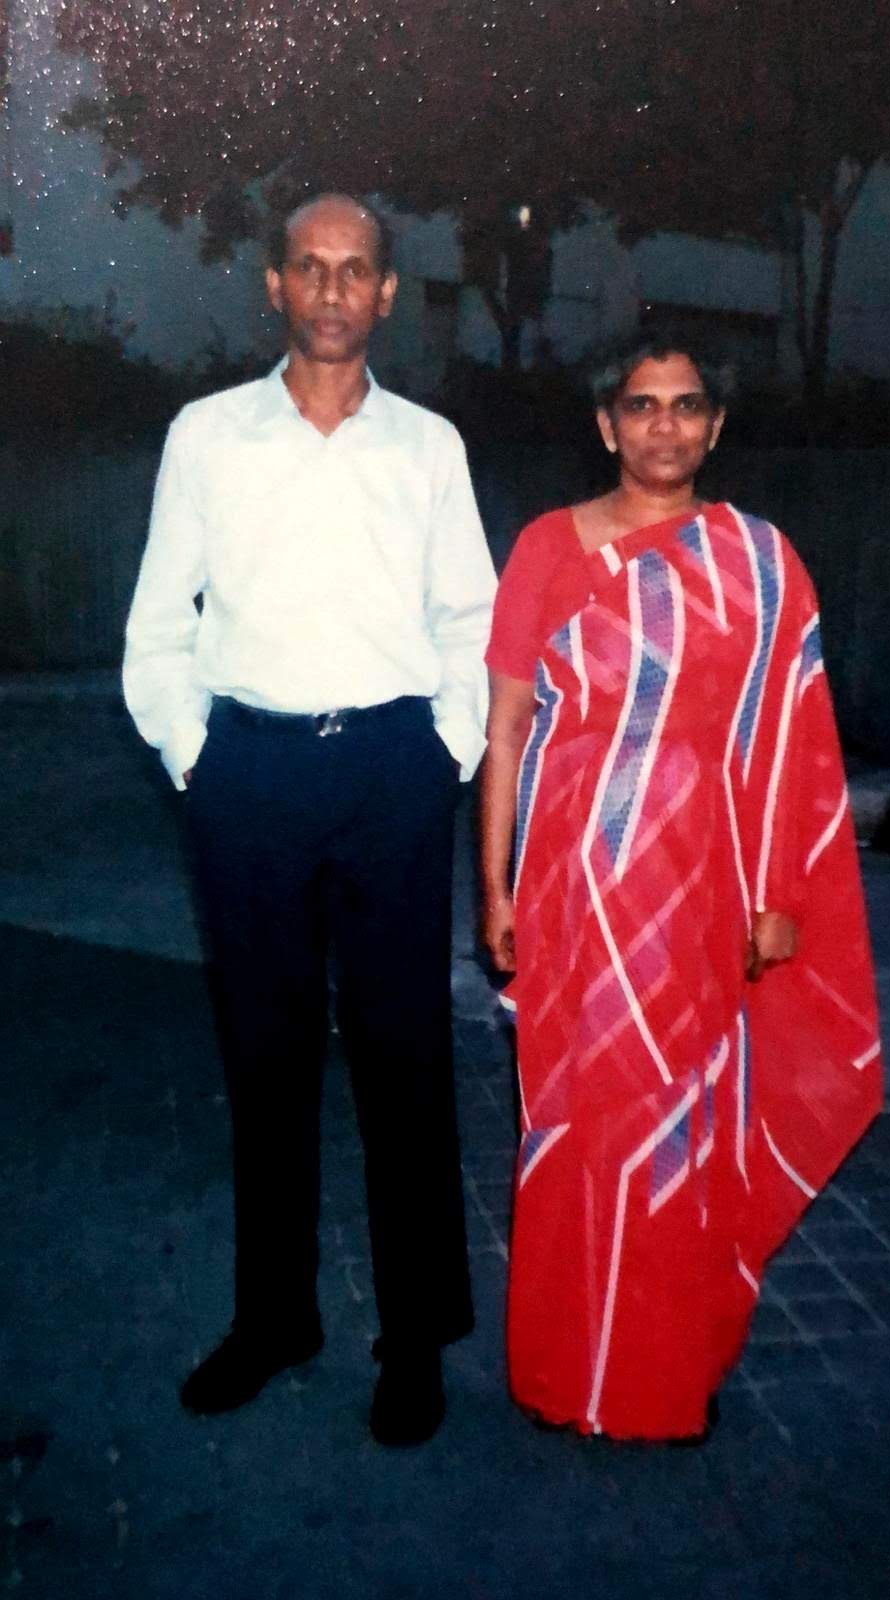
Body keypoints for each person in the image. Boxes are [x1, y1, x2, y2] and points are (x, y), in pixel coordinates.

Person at [124, 194, 496, 1446]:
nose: (332, 289)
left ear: (386, 292)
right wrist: (200, 760)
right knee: (264, 1058)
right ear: (274, 285)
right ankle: (274, 1317)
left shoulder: (428, 448)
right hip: (252, 778)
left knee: (406, 1061)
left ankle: (415, 1338)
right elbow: (157, 626)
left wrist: (442, 755)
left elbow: (471, 621)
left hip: (392, 775)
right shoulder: (207, 436)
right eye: (309, 267)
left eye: (356, 270)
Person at [480, 330, 882, 1441]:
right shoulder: (545, 548)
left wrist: (777, 896)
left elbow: (790, 742)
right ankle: (560, 1372)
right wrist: (495, 888)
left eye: (686, 405)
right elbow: (505, 729)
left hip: (697, 889)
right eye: (641, 404)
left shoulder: (761, 562)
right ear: (605, 425)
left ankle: (656, 1380)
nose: (664, 425)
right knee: (568, 1117)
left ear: (715, 426)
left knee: (674, 1121)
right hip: (569, 884)